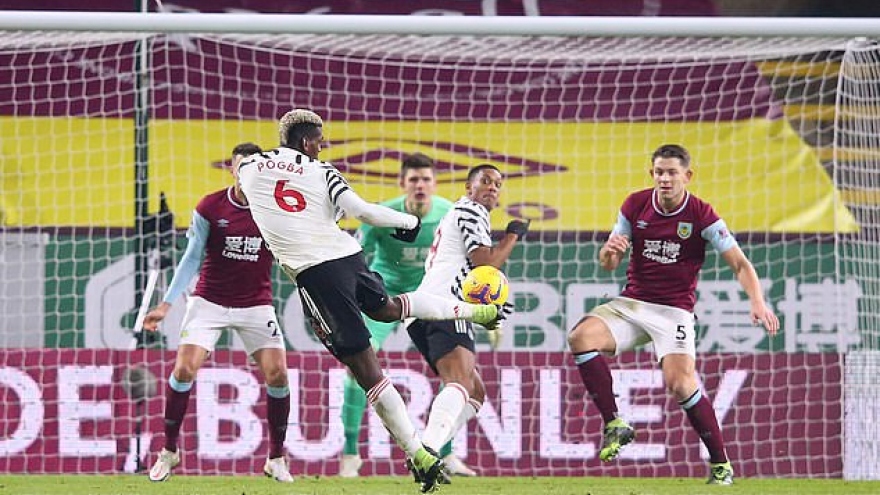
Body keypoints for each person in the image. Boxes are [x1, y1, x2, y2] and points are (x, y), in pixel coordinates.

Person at [237, 109, 503, 493]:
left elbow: (248, 190)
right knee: (390, 308)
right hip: (350, 258)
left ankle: (420, 453)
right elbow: (361, 211)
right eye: (320, 141)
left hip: (315, 273)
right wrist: (408, 223)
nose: (323, 147)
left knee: (368, 371)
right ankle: (476, 311)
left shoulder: (251, 166)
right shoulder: (324, 171)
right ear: (307, 142)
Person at [567, 144, 780, 485]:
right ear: (651, 174)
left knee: (680, 383)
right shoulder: (634, 205)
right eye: (659, 172)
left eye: (671, 173)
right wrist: (609, 251)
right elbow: (609, 263)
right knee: (581, 338)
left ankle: (721, 465)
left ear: (687, 176)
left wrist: (757, 301)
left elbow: (740, 263)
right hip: (633, 304)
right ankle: (615, 424)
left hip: (674, 312)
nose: (664, 179)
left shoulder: (702, 214)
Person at [143, 143, 295, 483]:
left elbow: (292, 256)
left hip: (256, 304)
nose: (245, 174)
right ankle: (169, 451)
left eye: (252, 168)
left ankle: (276, 458)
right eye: (240, 167)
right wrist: (166, 304)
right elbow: (192, 257)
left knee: (278, 375)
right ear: (232, 169)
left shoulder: (275, 210)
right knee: (184, 369)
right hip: (209, 302)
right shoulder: (210, 207)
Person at [340, 153, 477, 479]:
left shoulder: (450, 215)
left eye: (426, 179)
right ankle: (350, 454)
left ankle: (445, 452)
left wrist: (473, 304)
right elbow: (355, 253)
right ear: (403, 184)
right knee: (357, 365)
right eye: (414, 179)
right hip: (385, 296)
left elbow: (468, 262)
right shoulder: (383, 214)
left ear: (435, 184)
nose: (420, 185)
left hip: (431, 297)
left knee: (454, 374)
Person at [405, 163, 529, 477]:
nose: (492, 188)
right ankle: (426, 453)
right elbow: (485, 266)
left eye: (498, 184)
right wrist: (513, 235)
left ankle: (427, 450)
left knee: (474, 392)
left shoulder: (462, 213)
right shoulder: (471, 210)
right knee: (459, 382)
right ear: (468, 187)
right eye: (485, 181)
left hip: (428, 307)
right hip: (446, 306)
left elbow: (475, 274)